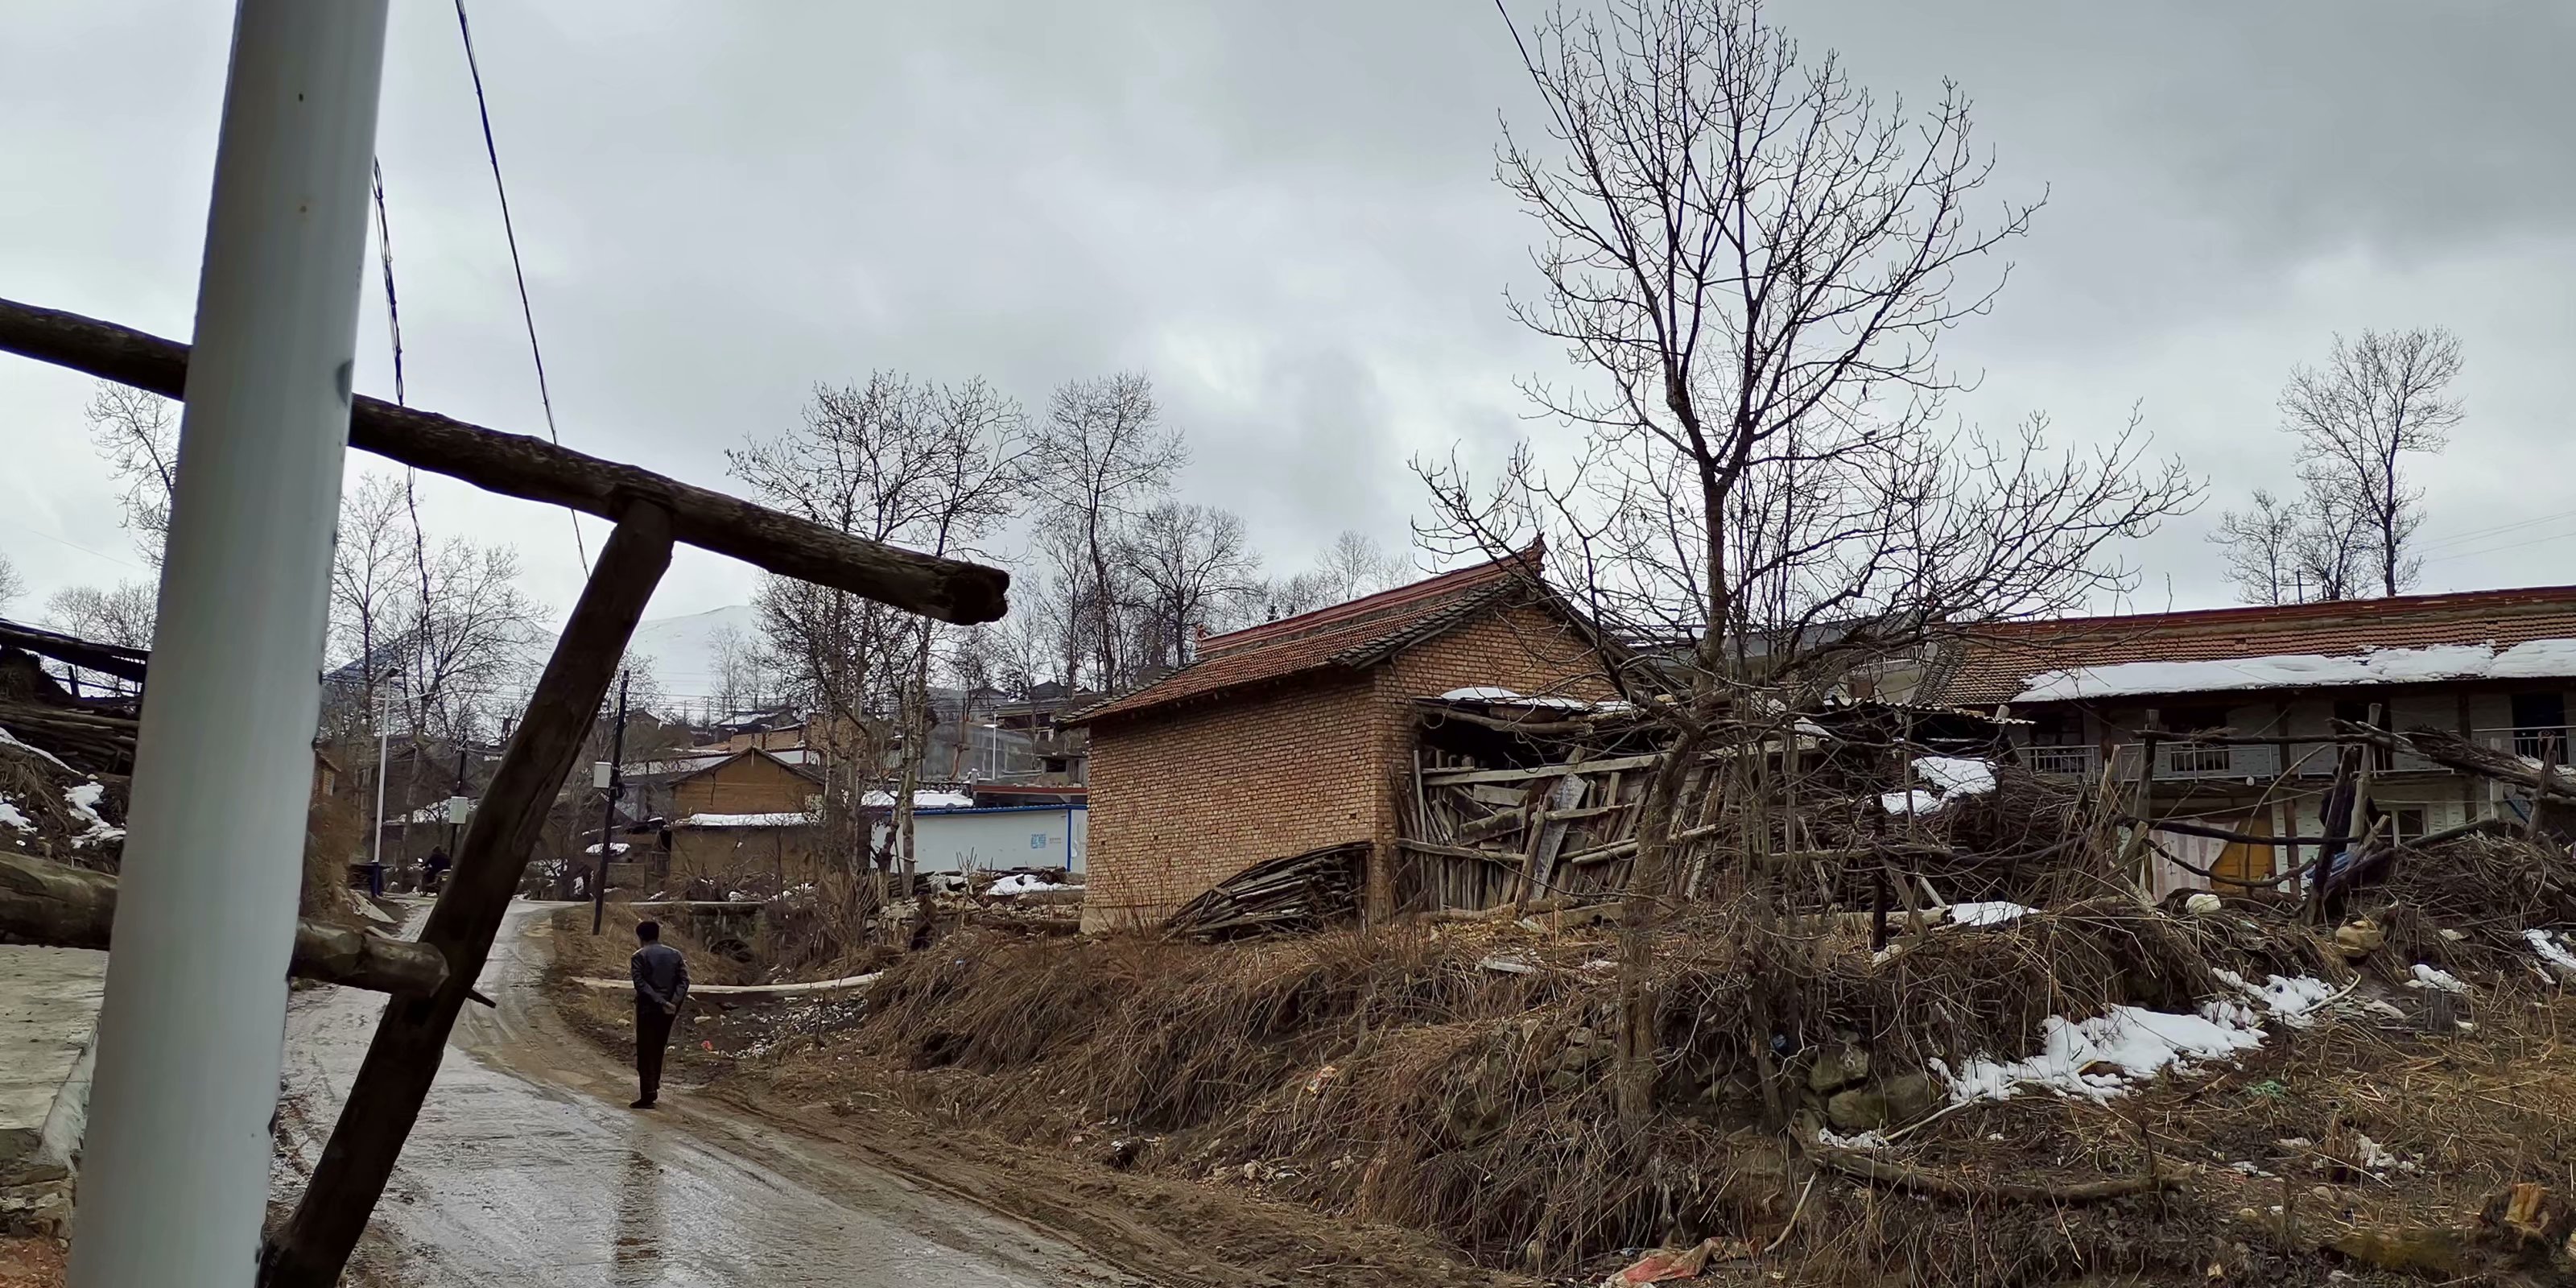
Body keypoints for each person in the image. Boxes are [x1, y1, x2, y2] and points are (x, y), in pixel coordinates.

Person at [627, 919, 688, 1108]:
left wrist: (660, 1002)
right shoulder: (675, 954)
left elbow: (641, 985)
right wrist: (672, 1003)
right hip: (668, 1010)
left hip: (648, 1008)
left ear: (641, 937)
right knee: (659, 1047)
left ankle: (648, 1092)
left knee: (646, 1049)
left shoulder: (639, 956)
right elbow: (684, 982)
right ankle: (654, 1085)